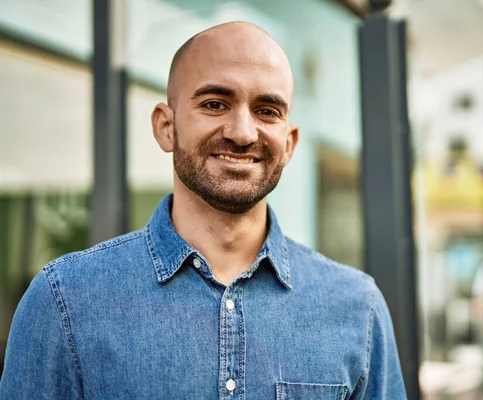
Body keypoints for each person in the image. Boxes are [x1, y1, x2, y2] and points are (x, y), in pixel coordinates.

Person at [0, 22, 406, 399]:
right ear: (165, 127)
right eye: (215, 104)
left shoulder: (357, 308)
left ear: (289, 142)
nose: (243, 133)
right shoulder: (65, 301)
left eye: (267, 111)